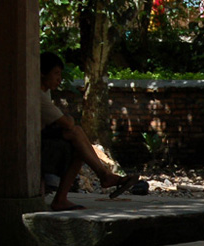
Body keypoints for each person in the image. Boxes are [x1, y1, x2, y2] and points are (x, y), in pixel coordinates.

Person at [40, 52, 139, 211]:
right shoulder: (38, 95)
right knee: (75, 132)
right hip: (37, 142)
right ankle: (104, 175)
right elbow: (66, 123)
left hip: (46, 135)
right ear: (42, 74)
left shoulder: (45, 91)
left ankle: (64, 197)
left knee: (78, 142)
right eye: (56, 74)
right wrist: (68, 120)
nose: (59, 79)